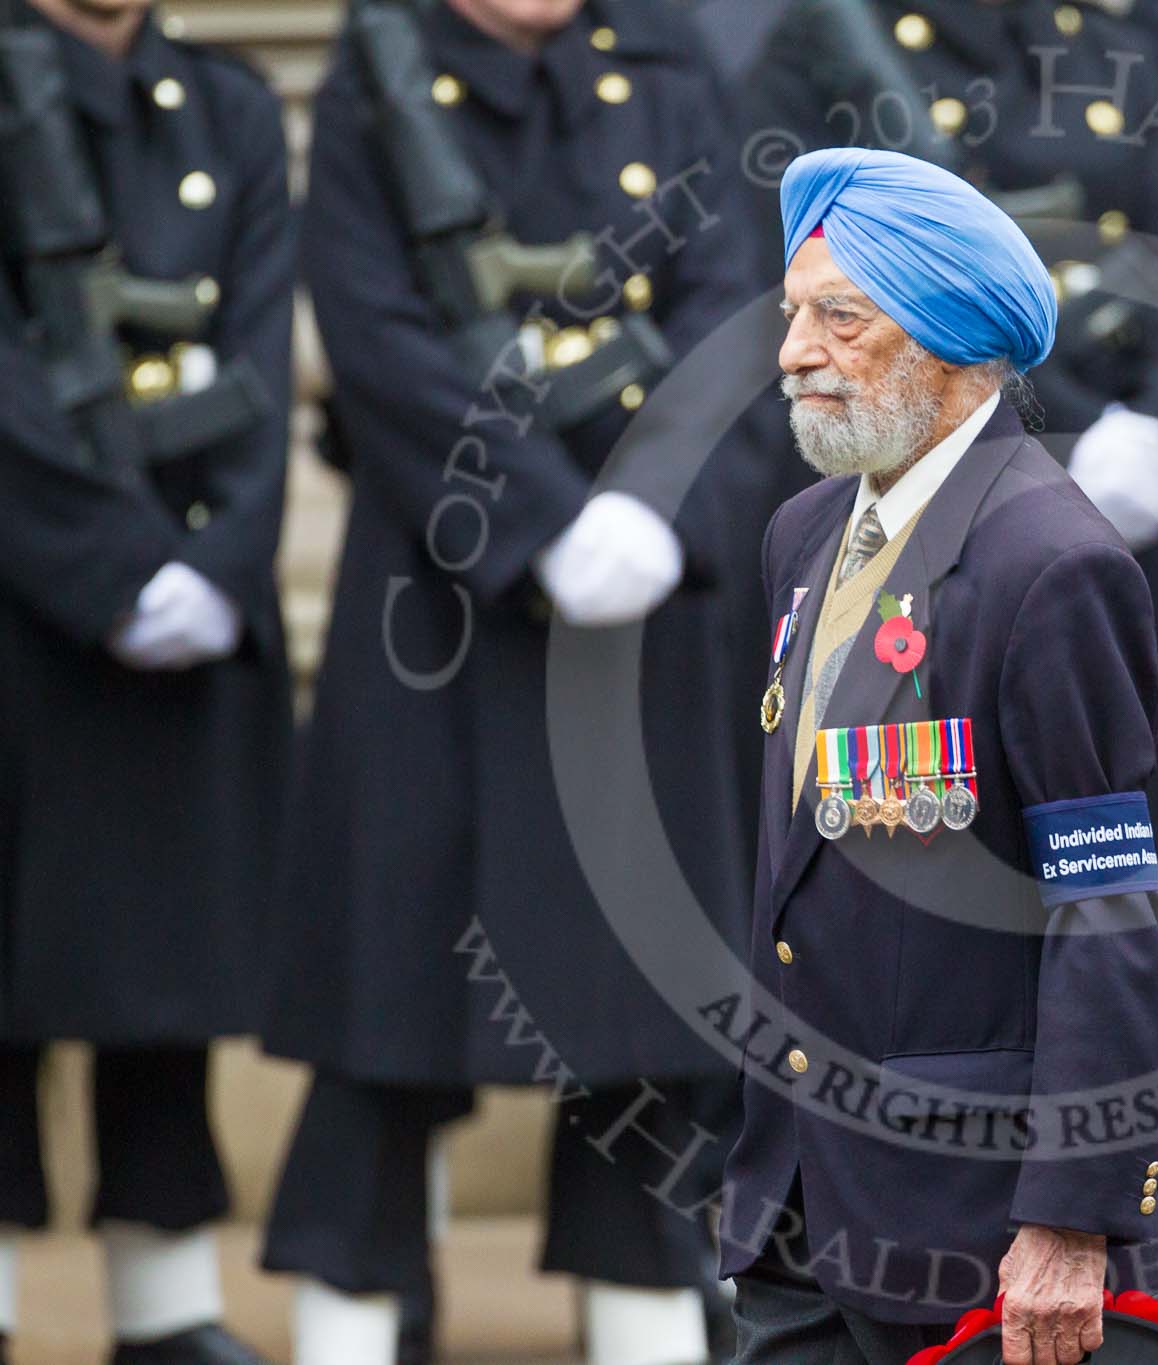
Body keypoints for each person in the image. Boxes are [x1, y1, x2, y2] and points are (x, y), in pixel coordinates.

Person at [257, 1, 768, 1362]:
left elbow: (731, 301)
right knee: (387, 1030)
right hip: (443, 604)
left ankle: (649, 1333)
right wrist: (537, 521)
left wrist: (657, 505)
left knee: (648, 1045)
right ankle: (350, 1333)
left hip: (646, 615)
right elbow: (375, 336)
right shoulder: (384, 68)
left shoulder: (666, 61)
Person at [721, 146, 1158, 1365]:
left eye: (840, 317)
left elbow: (1111, 911)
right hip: (798, 1205)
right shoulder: (804, 531)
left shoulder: (1052, 561)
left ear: (945, 336)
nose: (793, 352)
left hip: (979, 1239)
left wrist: (1069, 1222)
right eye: (791, 316)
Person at [0, 0, 294, 1359]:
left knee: (162, 975)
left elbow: (260, 353)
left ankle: (166, 1305)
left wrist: (217, 568)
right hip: (27, 601)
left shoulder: (226, 108)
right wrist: (104, 567)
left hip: (187, 596)